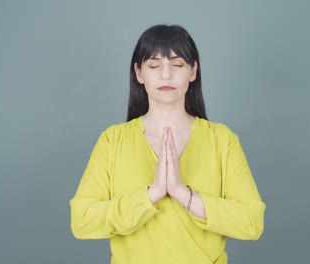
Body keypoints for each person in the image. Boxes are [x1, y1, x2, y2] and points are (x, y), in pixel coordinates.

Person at [70, 24, 266, 264]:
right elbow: (82, 220)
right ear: (139, 73)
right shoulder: (112, 140)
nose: (166, 75)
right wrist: (151, 195)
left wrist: (183, 194)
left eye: (177, 65)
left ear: (193, 71)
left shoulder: (222, 140)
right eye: (154, 66)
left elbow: (252, 222)